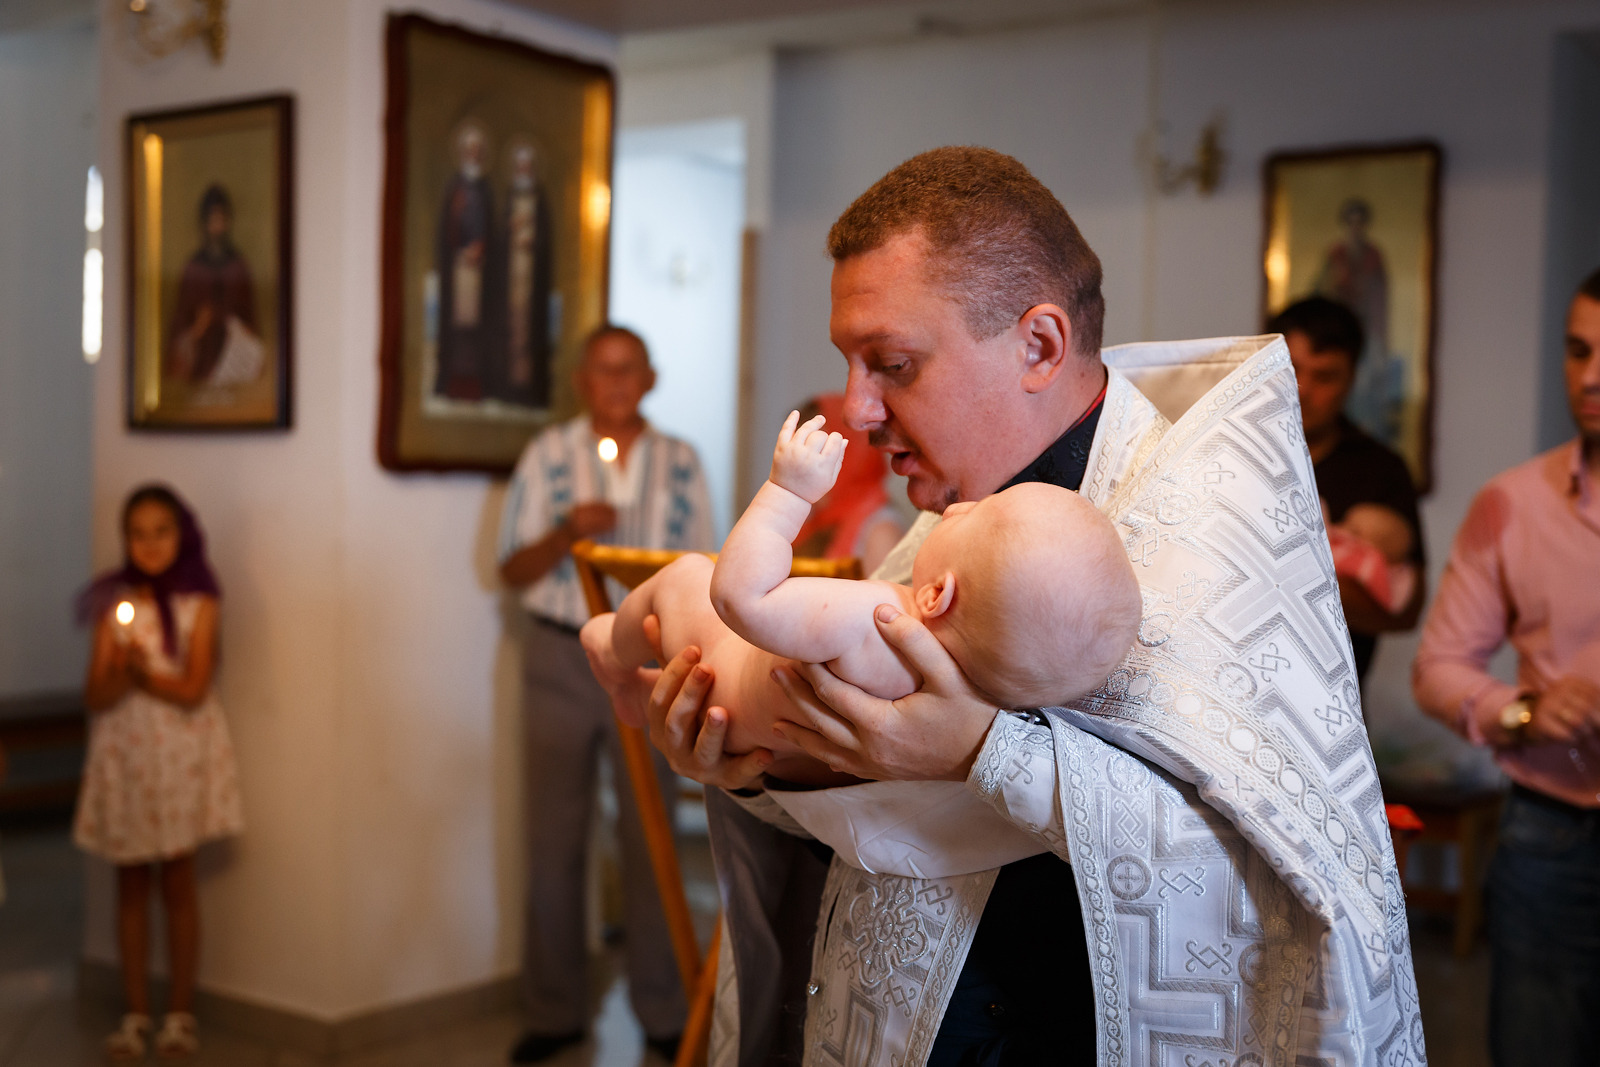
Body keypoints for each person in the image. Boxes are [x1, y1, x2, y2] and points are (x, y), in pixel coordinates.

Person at [626, 148, 1421, 1067]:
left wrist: (981, 749)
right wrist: (749, 762)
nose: (856, 409)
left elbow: (1284, 879)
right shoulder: (950, 524)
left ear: (1038, 344)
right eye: (851, 365)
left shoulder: (1207, 534)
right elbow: (866, 799)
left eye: (892, 363)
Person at [581, 410, 1140, 786]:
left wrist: (787, 493)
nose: (958, 507)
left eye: (975, 515)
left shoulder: (873, 621)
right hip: (757, 740)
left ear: (938, 595)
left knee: (684, 574)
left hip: (715, 662)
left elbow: (738, 599)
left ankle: (612, 649)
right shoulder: (968, 694)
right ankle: (639, 691)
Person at [497, 324, 713, 1064]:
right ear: (583, 380)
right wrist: (565, 532)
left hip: (644, 661)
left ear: (647, 379)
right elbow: (512, 567)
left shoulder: (680, 462)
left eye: (629, 371)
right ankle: (553, 1008)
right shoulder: (548, 454)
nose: (616, 383)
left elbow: (702, 566)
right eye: (603, 371)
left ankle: (661, 1004)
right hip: (558, 655)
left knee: (650, 834)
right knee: (553, 837)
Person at [1412, 268, 1600, 1067]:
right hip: (1552, 832)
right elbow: (1441, 664)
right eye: (1578, 349)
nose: (1589, 377)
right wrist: (1522, 711)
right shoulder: (1514, 502)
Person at [74, 485, 244, 1060]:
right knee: (129, 885)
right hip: (127, 757)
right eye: (137, 533)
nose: (149, 545)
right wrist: (122, 673)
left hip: (178, 758)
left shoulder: (202, 602)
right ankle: (134, 1013)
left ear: (183, 533)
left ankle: (179, 1012)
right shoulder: (114, 602)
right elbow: (95, 695)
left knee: (177, 882)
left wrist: (147, 678)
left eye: (161, 531)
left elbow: (194, 689)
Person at [1268, 295, 1425, 682]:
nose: (1302, 390)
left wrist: (1290, 582)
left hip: (1336, 699)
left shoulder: (1379, 469)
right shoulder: (1234, 453)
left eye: (1324, 376)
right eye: (1292, 370)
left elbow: (1405, 611)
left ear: (1351, 378)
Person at [790, 394, 907, 574]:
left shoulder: (880, 531)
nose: (802, 467)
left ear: (851, 456)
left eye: (818, 452)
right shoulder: (814, 521)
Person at [167, 183, 260, 387]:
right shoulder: (193, 268)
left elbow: (250, 320)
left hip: (232, 358)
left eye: (221, 218)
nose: (217, 225)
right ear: (204, 221)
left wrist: (237, 327)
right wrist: (196, 329)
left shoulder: (238, 267)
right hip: (201, 362)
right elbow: (180, 323)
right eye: (212, 219)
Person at [435, 121, 498, 402]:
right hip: (458, 266)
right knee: (458, 325)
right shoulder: (454, 189)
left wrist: (483, 247)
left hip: (480, 270)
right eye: (468, 150)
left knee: (476, 327)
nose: (473, 154)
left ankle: (476, 379)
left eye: (477, 150)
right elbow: (446, 230)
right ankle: (454, 379)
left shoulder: (485, 190)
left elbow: (494, 232)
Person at [498, 139, 555, 409]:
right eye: (518, 166)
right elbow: (498, 237)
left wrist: (534, 242)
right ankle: (508, 385)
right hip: (511, 278)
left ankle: (528, 387)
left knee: (528, 333)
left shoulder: (539, 198)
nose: (523, 170)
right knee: (511, 328)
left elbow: (545, 237)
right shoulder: (509, 196)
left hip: (532, 278)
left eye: (527, 166)